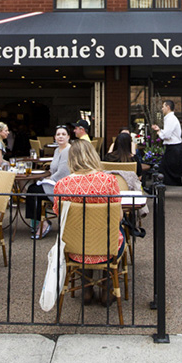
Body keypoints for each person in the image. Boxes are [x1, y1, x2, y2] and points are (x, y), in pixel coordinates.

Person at [52, 139, 124, 305]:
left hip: (75, 248)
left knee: (82, 238)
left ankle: (86, 288)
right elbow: (118, 216)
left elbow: (59, 215)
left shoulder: (62, 185)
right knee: (116, 232)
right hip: (107, 247)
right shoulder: (110, 181)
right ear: (93, 156)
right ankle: (107, 289)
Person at [26, 125, 72, 239]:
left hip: (62, 186)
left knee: (32, 191)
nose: (60, 137)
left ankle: (43, 223)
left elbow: (63, 172)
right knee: (32, 189)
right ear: (54, 137)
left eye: (63, 134)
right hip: (54, 182)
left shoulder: (68, 150)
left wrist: (48, 179)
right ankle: (40, 222)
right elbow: (53, 169)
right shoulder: (57, 150)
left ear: (68, 137)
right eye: (58, 134)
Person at [151, 100, 182, 201]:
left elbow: (166, 135)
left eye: (163, 106)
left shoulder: (170, 119)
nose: (162, 109)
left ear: (168, 107)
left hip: (173, 148)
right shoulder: (170, 119)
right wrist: (160, 130)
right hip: (174, 148)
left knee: (166, 169)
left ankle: (154, 190)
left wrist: (158, 131)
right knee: (165, 168)